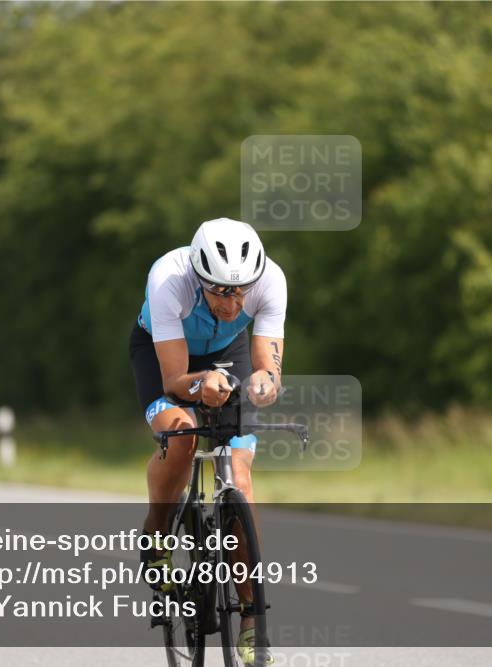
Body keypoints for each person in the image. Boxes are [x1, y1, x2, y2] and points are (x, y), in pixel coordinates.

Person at [129, 217, 285, 665]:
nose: (233, 303)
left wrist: (265, 384)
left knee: (238, 472)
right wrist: (203, 386)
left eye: (241, 292)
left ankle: (254, 623)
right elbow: (176, 379)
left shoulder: (272, 281)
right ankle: (157, 534)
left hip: (227, 354)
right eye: (220, 291)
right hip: (164, 354)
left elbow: (267, 365)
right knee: (181, 438)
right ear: (200, 277)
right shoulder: (168, 280)